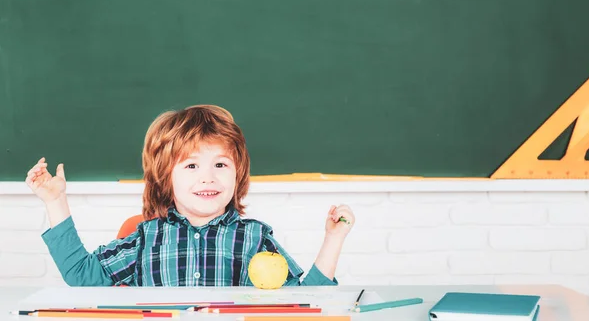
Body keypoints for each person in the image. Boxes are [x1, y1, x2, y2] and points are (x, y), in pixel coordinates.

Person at [26, 105, 355, 286]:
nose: (208, 177)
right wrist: (55, 202)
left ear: (237, 173)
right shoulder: (145, 238)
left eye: (221, 164)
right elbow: (83, 279)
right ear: (165, 179)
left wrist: (333, 239)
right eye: (192, 166)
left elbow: (307, 302)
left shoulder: (254, 237)